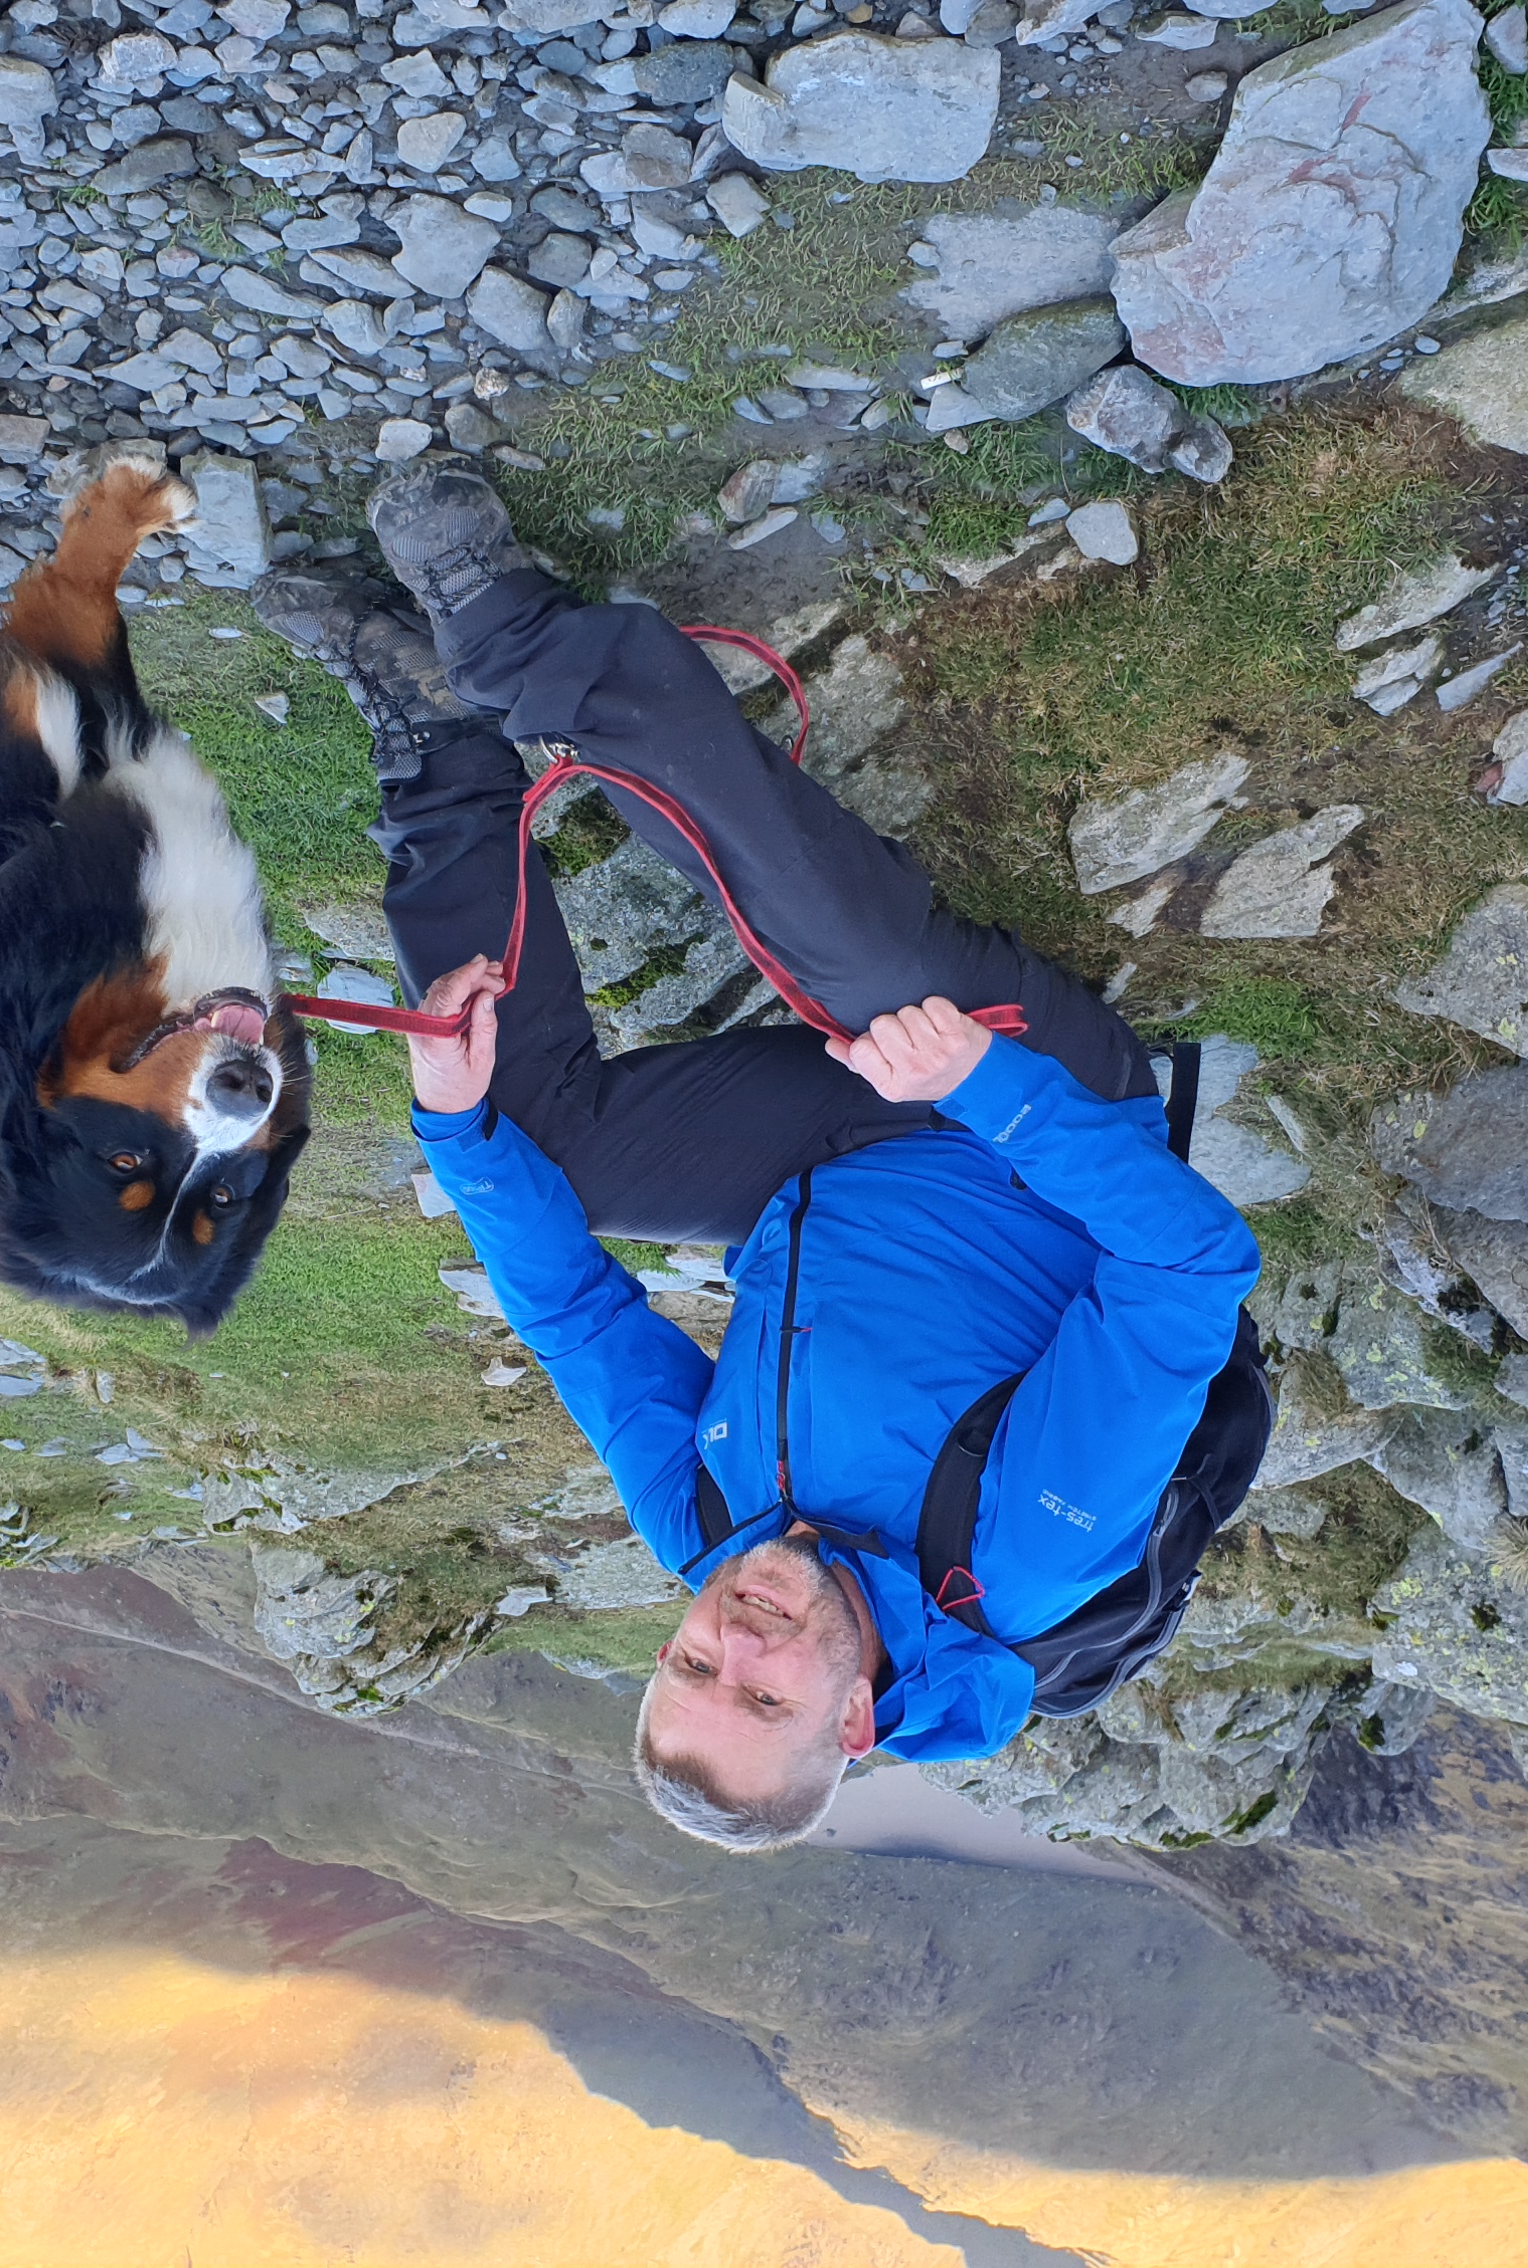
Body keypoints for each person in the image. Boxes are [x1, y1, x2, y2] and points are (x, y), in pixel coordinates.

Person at [255, 463, 1266, 1854]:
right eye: (764, 1695)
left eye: (687, 1669)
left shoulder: (705, 1532)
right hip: (1021, 1120)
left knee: (532, 1144)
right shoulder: (1021, 1558)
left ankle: (439, 753)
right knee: (859, 961)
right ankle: (509, 631)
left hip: (819, 1161)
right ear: (851, 1724)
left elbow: (572, 1314)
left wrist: (457, 1125)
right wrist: (986, 1085)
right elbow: (1192, 1266)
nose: (732, 1638)